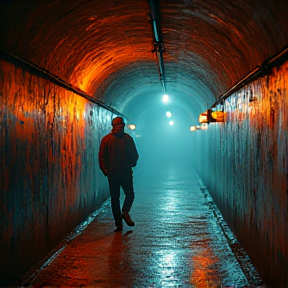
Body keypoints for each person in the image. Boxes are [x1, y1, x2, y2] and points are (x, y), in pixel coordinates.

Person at [98, 116, 139, 232]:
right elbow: (134, 155)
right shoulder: (128, 139)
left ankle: (118, 223)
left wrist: (106, 170)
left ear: (113, 126)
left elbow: (101, 157)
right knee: (130, 194)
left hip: (112, 174)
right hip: (125, 172)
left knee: (115, 198)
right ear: (123, 126)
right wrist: (133, 163)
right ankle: (125, 211)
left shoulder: (106, 140)